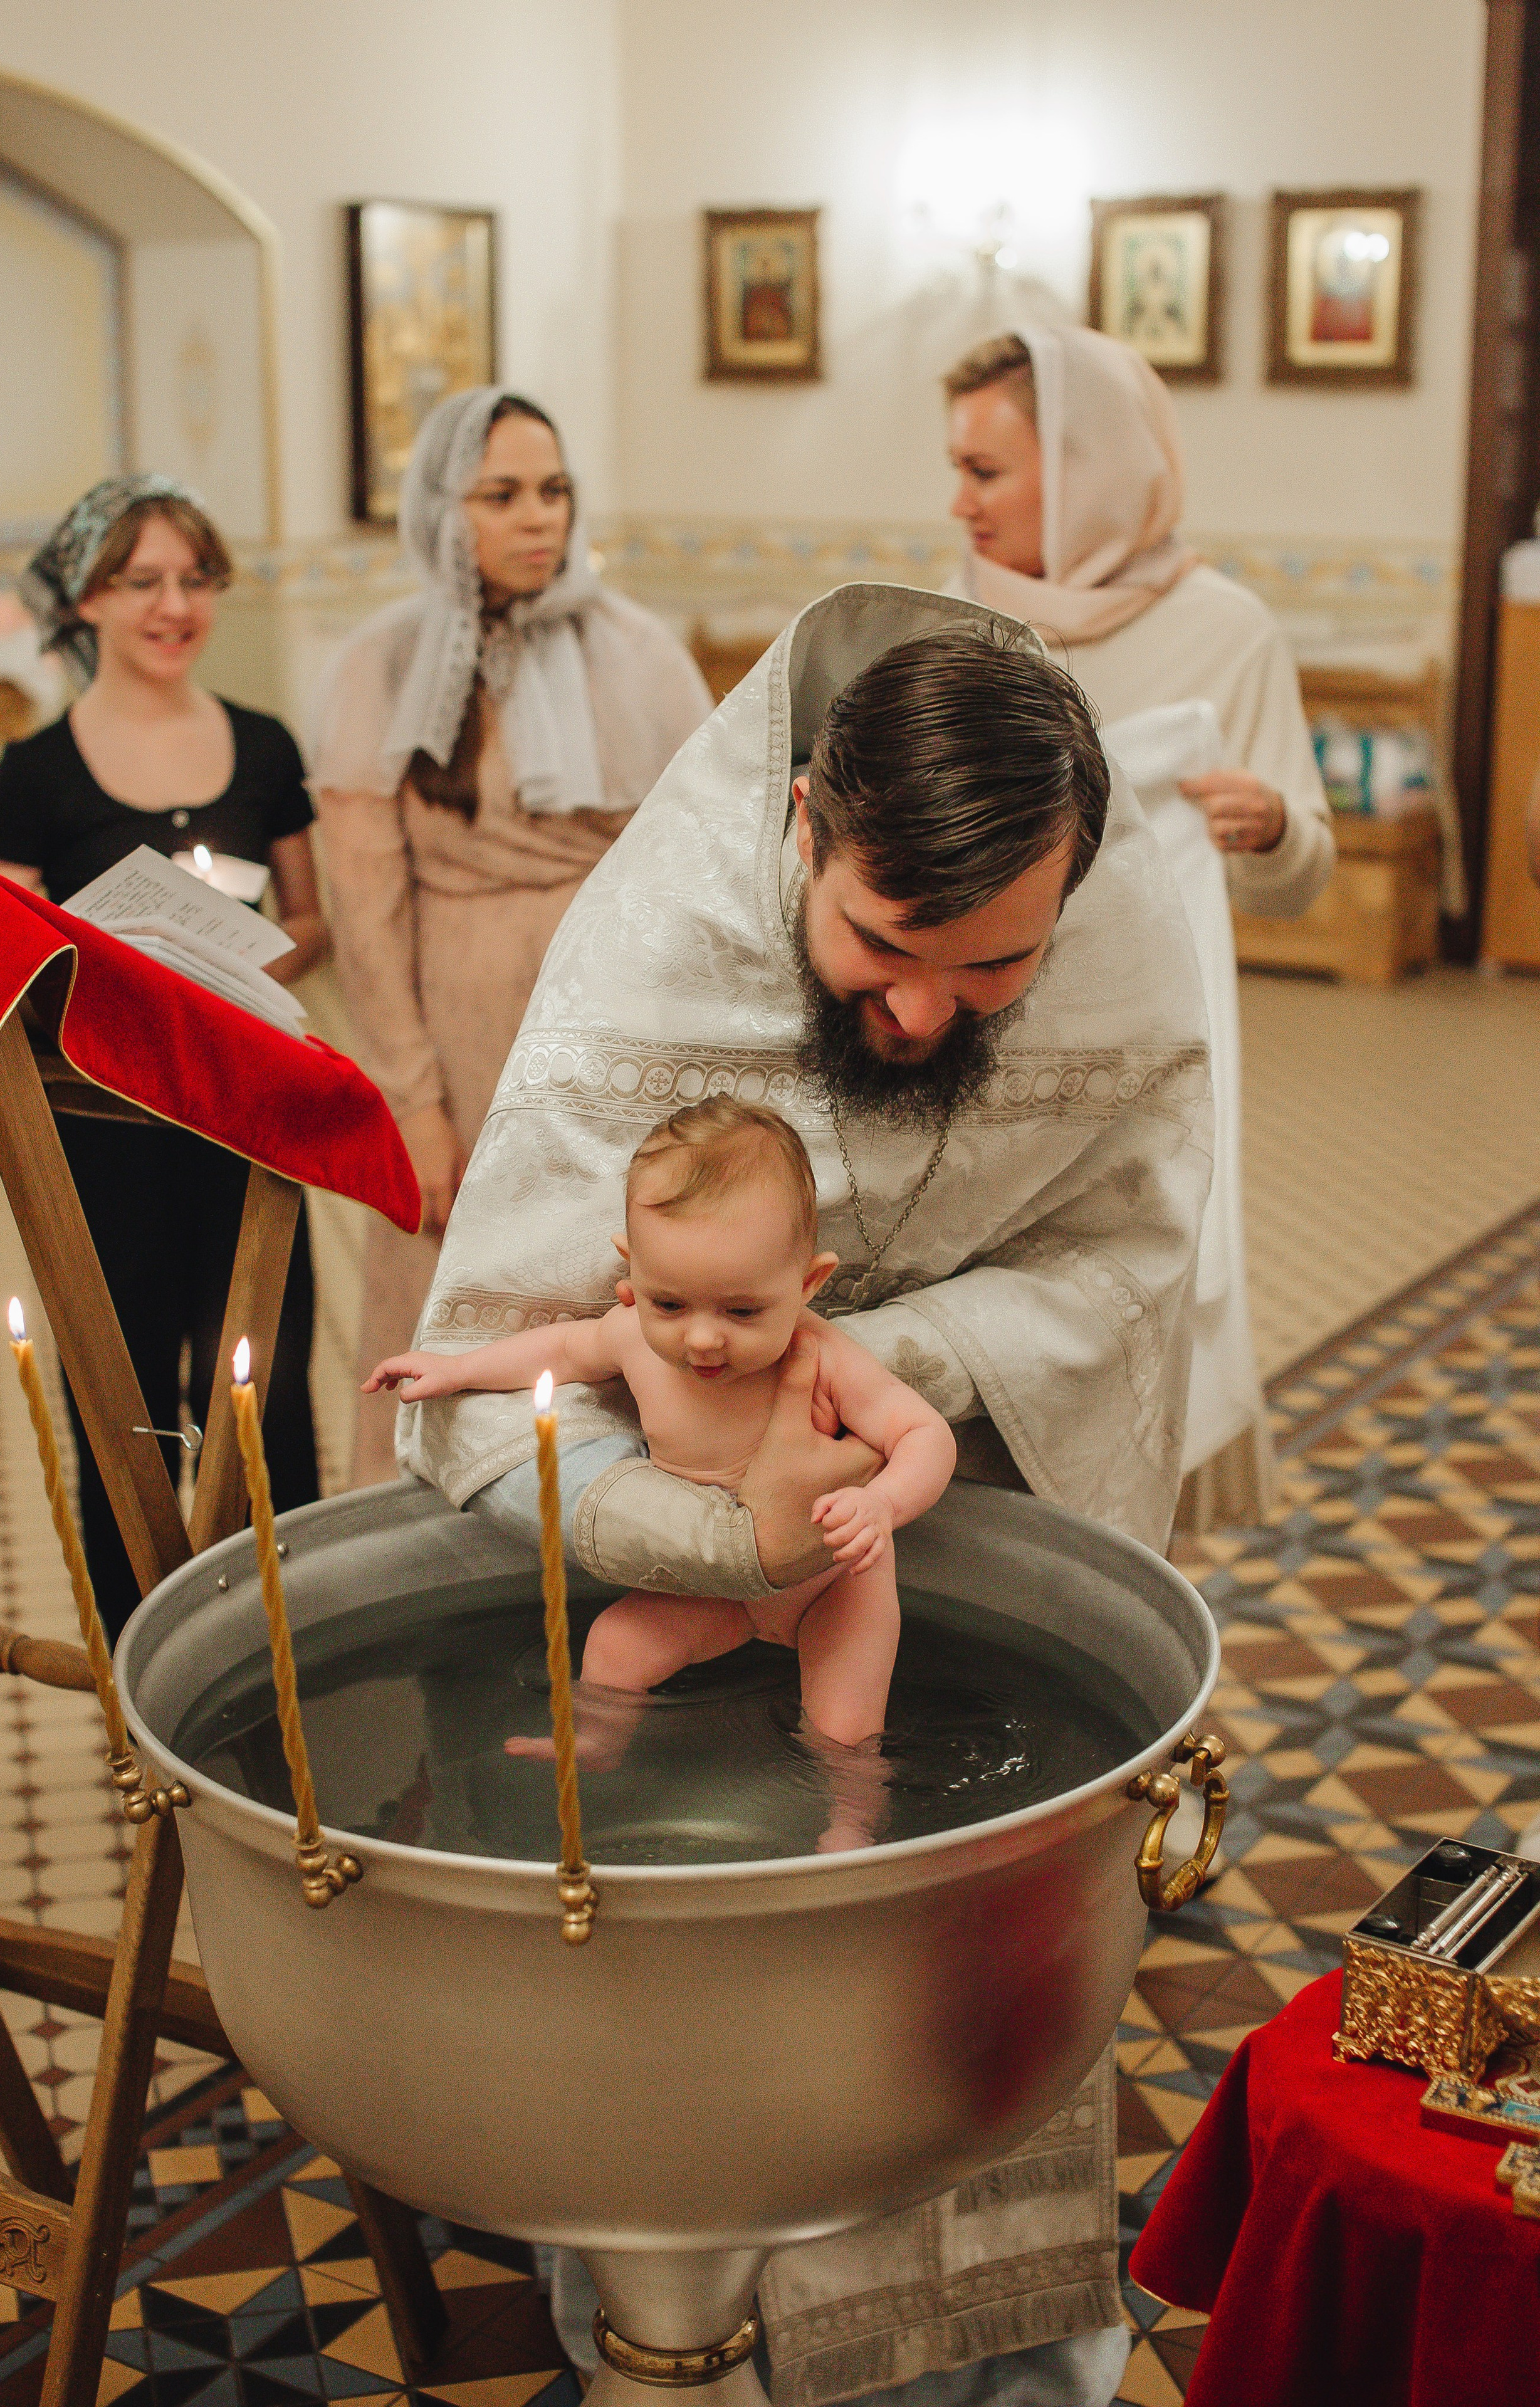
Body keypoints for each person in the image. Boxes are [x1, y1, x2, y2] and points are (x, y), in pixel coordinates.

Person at [396, 584, 1212, 2407]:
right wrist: (707, 1505)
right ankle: (668, 2310)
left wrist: (869, 1383)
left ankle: (974, 2370)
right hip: (685, 1554)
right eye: (885, 939)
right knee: (682, 2000)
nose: (927, 1009)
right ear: (800, 833)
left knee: (955, 2014)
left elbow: (1134, 1248)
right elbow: (531, 1320)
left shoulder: (1120, 917)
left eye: (997, 968)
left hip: (960, 1516)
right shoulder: (660, 938)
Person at [945, 325, 1334, 1528]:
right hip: (977, 1042)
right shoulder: (951, 618)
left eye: (987, 472)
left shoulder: (1230, 631)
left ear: (1088, 468)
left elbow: (1303, 874)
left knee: (1129, 1313)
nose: (958, 502)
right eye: (955, 468)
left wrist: (1271, 829)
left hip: (1145, 1052)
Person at [310, 385, 711, 1486]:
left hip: (616, 1022)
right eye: (502, 496)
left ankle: (620, 1526)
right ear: (444, 512)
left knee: (611, 1281)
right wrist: (414, 1099)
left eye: (554, 491)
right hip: (460, 1027)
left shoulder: (638, 651)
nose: (540, 518)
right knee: (449, 1286)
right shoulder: (379, 667)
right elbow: (367, 913)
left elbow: (696, 867)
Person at [0, 473, 328, 1638]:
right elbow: (7, 971)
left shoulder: (266, 745)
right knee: (121, 1406)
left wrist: (234, 968)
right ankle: (143, 1665)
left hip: (245, 1118)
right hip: (100, 1137)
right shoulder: (33, 773)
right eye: (142, 583)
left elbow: (313, 921)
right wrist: (122, 986)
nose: (173, 605)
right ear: (87, 599)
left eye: (193, 579)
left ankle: (276, 1651)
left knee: (264, 1398)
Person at [366, 1096, 955, 1780]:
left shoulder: (821, 1357)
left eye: (742, 1310)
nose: (702, 1338)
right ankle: (595, 1748)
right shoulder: (634, 1341)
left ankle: (849, 1832)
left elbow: (923, 1433)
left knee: (843, 1737)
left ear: (808, 1283)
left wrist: (882, 1503)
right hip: (708, 1584)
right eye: (668, 1303)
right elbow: (559, 1349)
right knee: (613, 1648)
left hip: (832, 1582)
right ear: (632, 1273)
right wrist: (456, 1368)